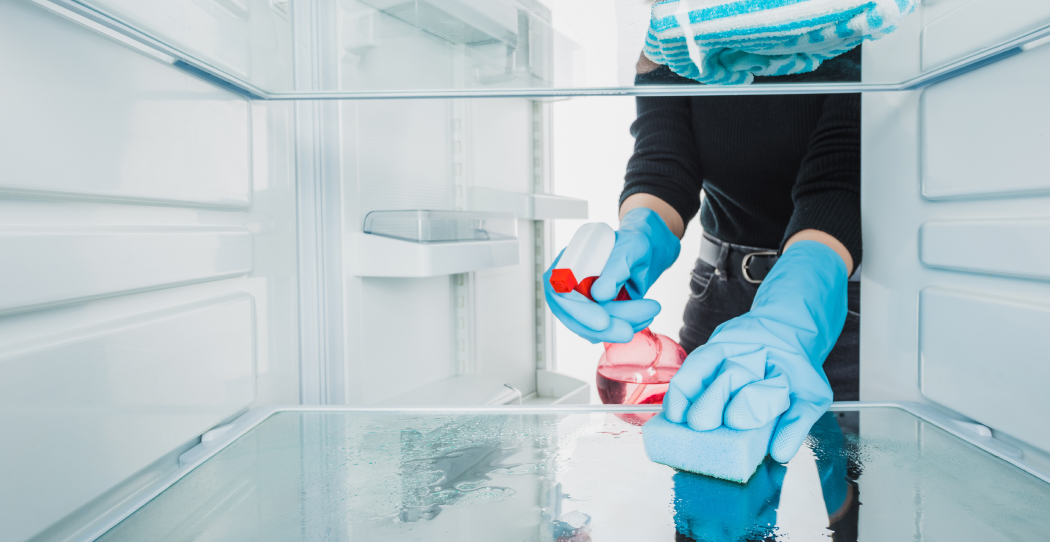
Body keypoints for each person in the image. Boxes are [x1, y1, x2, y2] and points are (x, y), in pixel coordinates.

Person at [544, 47, 862, 467]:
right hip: (720, 288)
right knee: (709, 498)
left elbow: (843, 171)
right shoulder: (676, 28)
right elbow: (663, 162)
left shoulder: (864, 20)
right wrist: (640, 232)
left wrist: (800, 297)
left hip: (837, 295)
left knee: (853, 491)